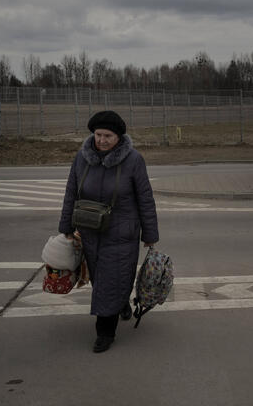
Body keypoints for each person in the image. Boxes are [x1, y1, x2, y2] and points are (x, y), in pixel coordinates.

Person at [58, 110, 159, 353]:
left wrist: (150, 235)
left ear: (119, 137)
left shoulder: (134, 160)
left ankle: (105, 332)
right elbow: (71, 192)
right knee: (101, 280)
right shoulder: (82, 158)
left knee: (110, 282)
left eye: (108, 136)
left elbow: (145, 198)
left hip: (122, 233)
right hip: (90, 232)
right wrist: (66, 228)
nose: (101, 140)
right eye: (98, 134)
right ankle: (121, 302)